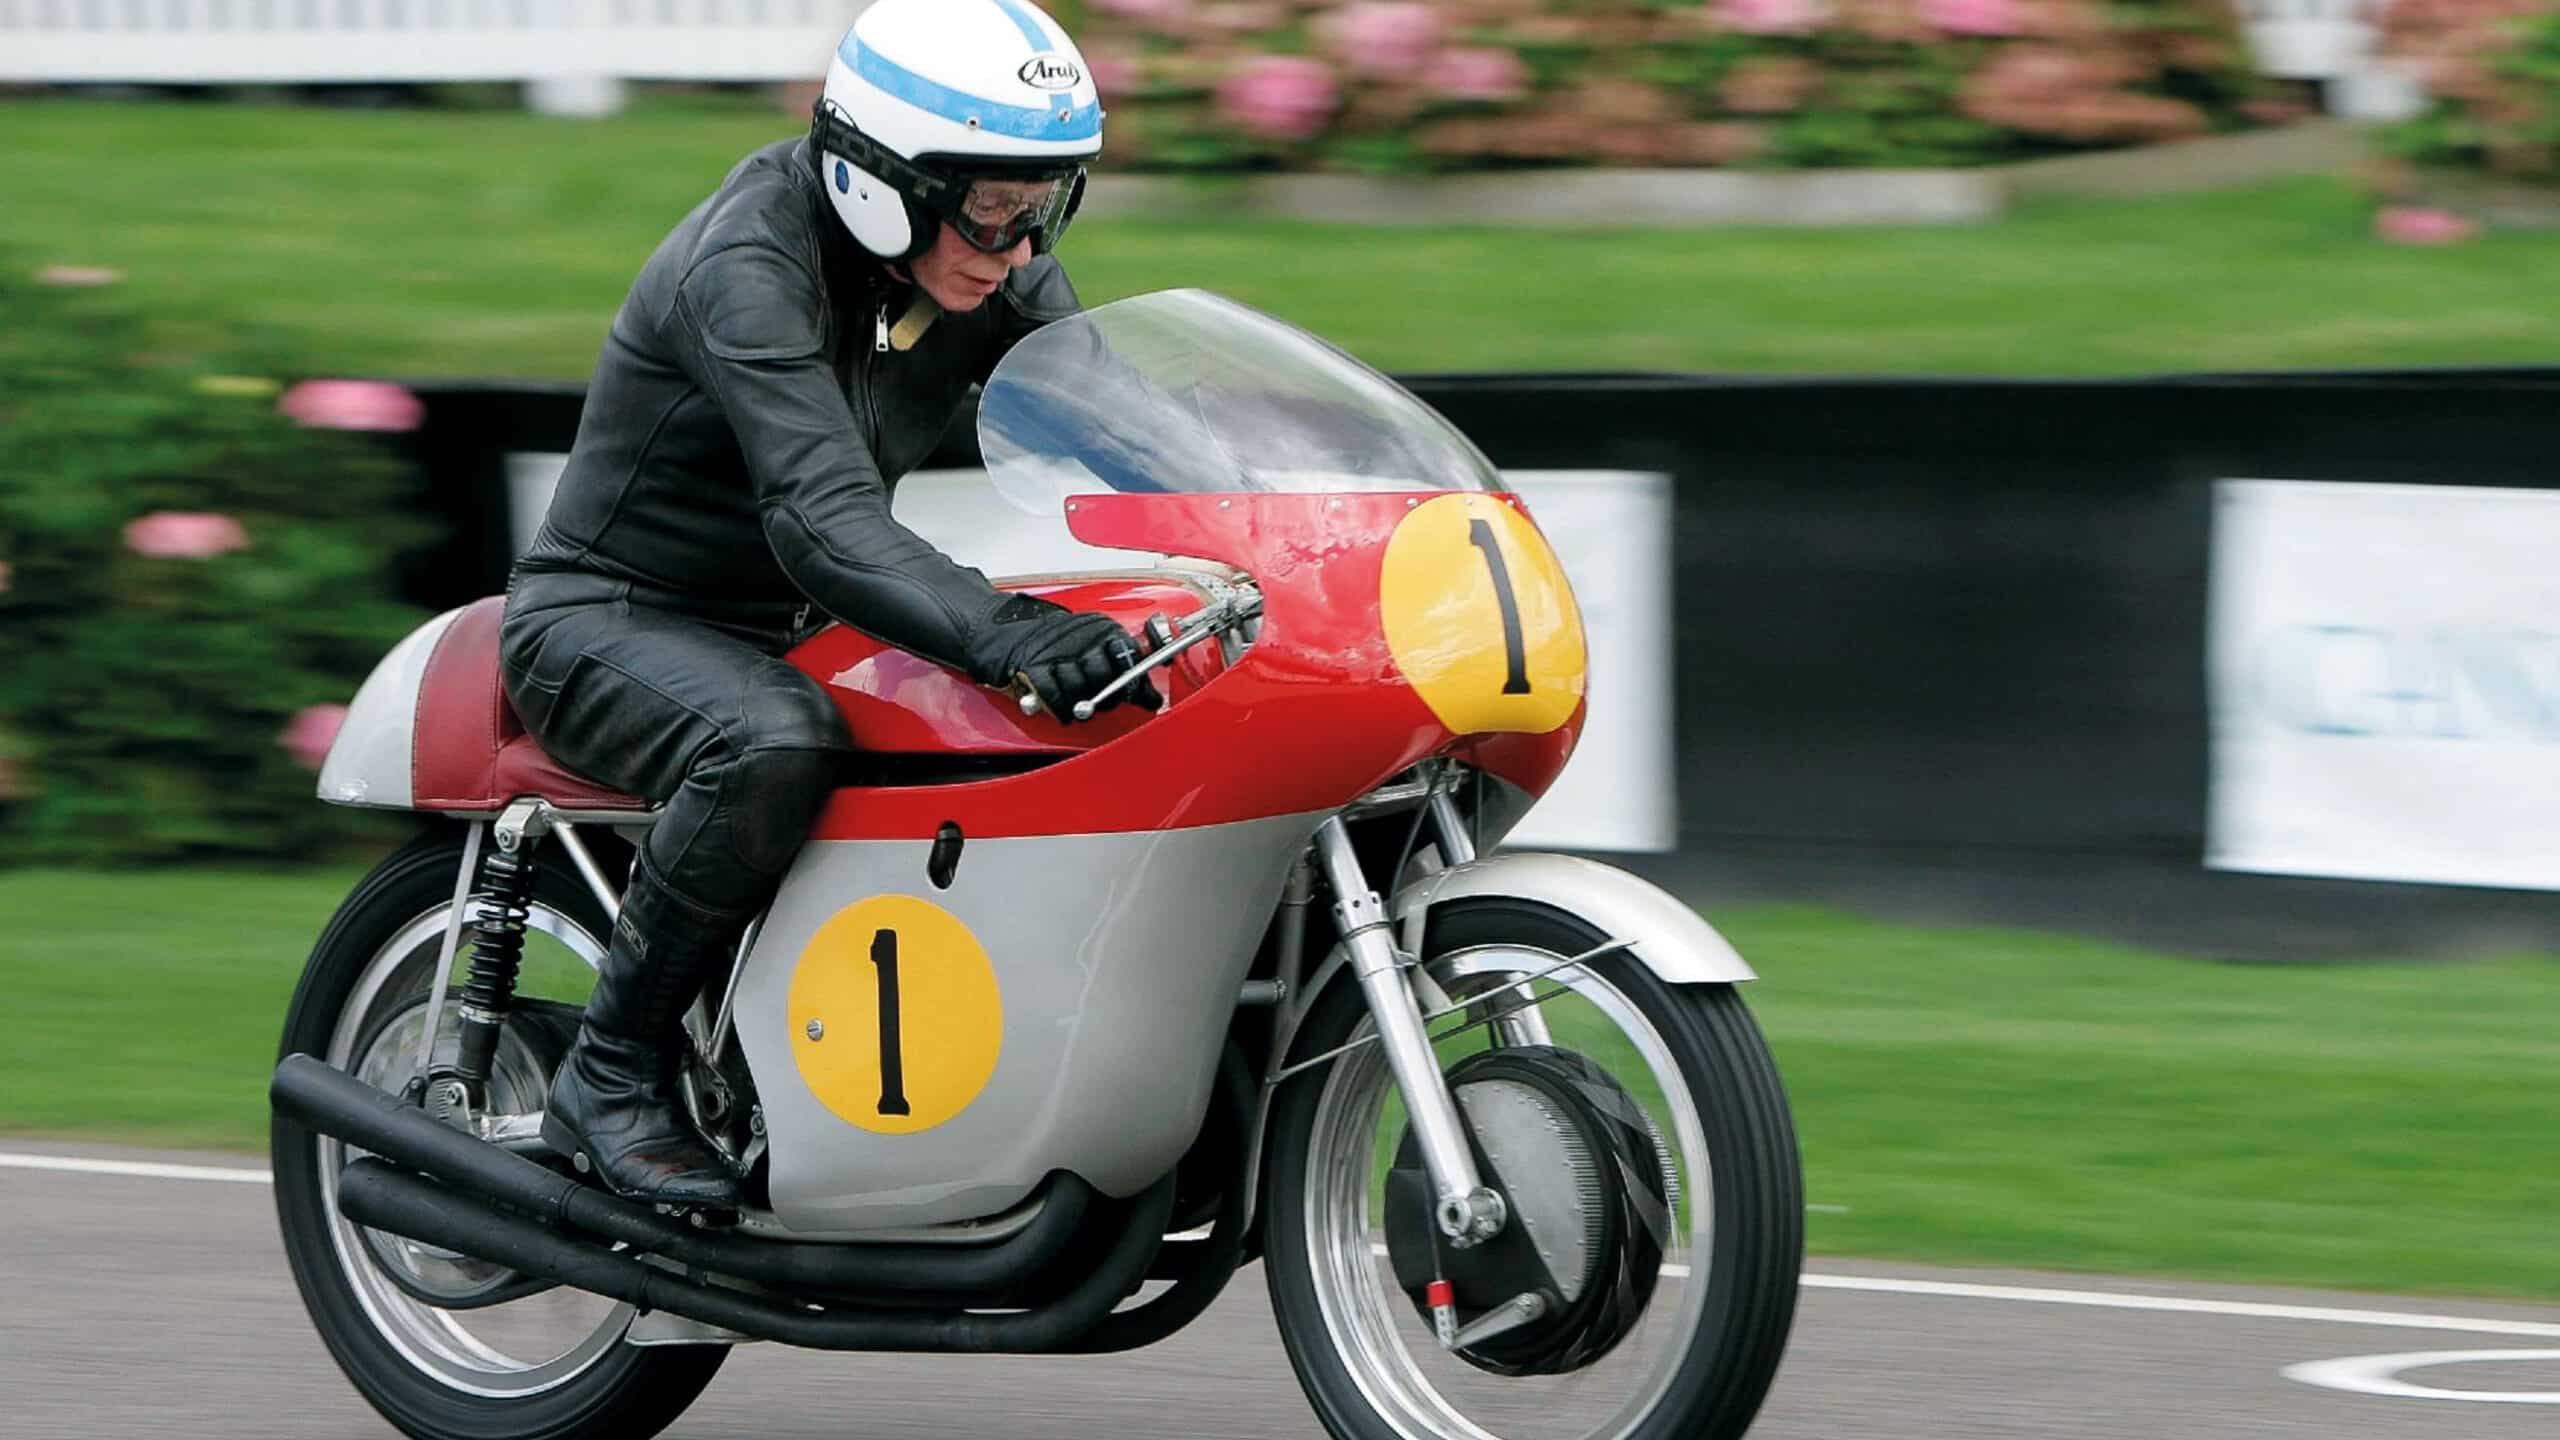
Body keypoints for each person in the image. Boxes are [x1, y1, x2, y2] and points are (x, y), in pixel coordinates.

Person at [499, 0, 1147, 1209]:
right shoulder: (746, 266)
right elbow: (823, 521)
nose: (1014, 246)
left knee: (999, 745)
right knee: (771, 737)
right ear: (877, 180)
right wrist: (1011, 632)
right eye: (989, 203)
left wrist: (1284, 538)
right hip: (609, 619)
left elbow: (1124, 433)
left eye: (1039, 202)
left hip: (794, 628)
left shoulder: (985, 266)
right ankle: (610, 1072)